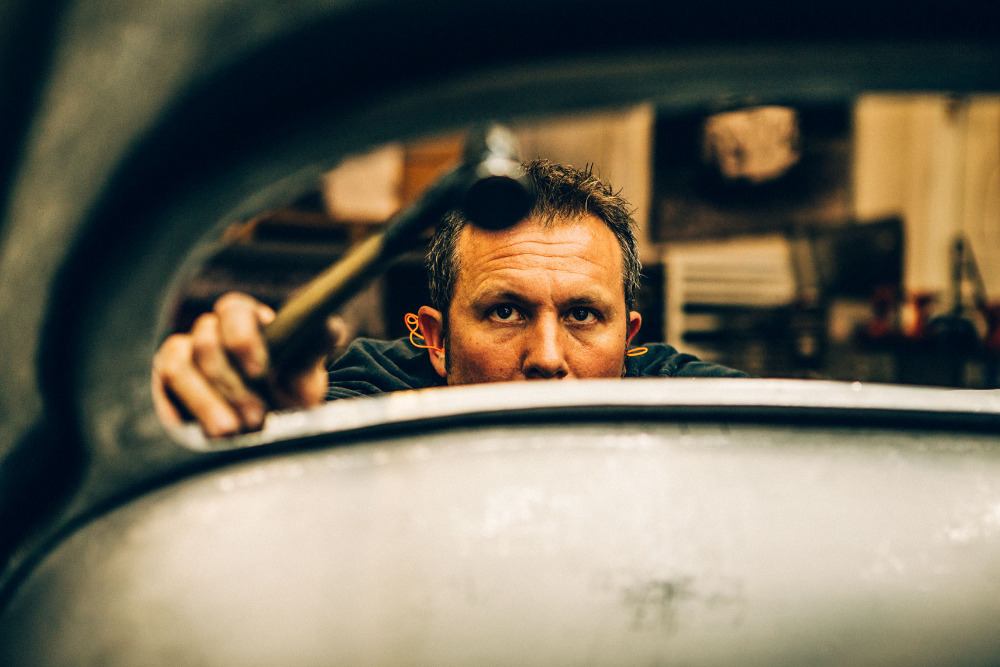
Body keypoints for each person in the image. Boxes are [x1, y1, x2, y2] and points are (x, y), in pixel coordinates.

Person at [152, 159, 746, 437]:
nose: (547, 358)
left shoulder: (683, 395)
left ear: (629, 341)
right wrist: (248, 391)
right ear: (436, 341)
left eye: (583, 315)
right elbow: (320, 407)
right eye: (505, 311)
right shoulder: (377, 395)